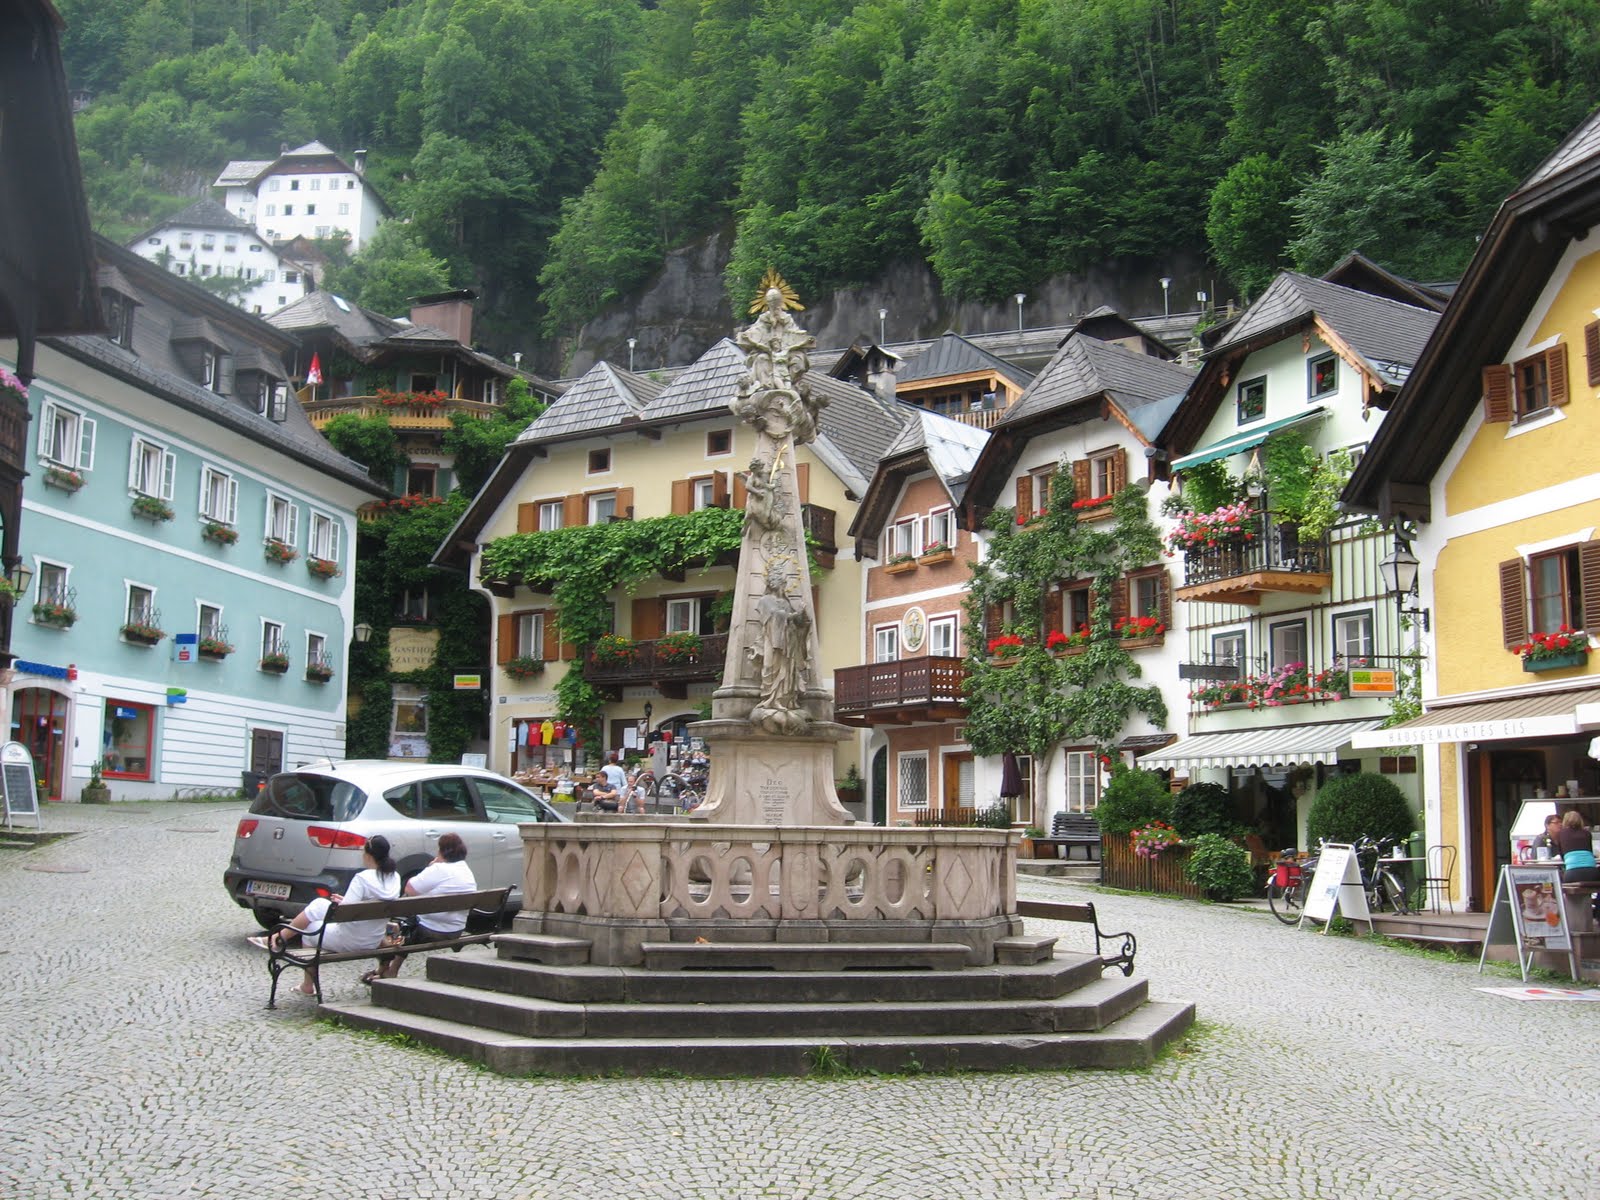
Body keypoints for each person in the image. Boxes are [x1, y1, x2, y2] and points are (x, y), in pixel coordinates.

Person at [248, 835, 399, 996]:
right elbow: (356, 907)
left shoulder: (362, 878)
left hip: (349, 938)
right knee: (319, 906)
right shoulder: (394, 878)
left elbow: (344, 914)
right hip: (373, 939)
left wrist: (343, 904)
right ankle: (278, 939)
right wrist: (345, 902)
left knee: (311, 926)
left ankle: (300, 974)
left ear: (368, 855)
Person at [369, 833, 476, 982]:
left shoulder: (439, 869)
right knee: (408, 926)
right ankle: (388, 970)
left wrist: (430, 867)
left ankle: (386, 969)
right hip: (456, 929)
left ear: (442, 851)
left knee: (392, 929)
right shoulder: (465, 869)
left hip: (431, 929)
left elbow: (409, 889)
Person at [1556, 810, 1599, 883]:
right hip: (1592, 872)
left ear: (1565, 821)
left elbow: (1562, 855)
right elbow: (1590, 852)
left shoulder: (1562, 834)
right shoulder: (1587, 833)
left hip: (1572, 873)